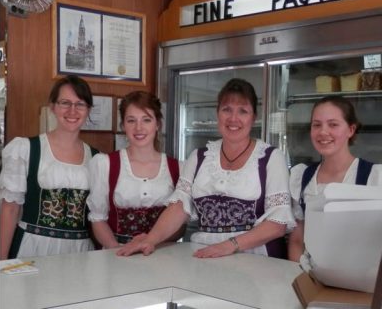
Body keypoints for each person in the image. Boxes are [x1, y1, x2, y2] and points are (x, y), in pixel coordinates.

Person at [117, 78, 294, 259]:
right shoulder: (199, 157)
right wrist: (151, 239)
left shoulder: (271, 158)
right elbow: (179, 207)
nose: (233, 118)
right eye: (226, 109)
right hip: (204, 255)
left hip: (256, 258)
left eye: (243, 111)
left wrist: (229, 245)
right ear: (217, 113)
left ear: (253, 117)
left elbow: (277, 223)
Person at [0, 75, 99, 259]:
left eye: (80, 104)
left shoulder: (97, 159)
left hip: (80, 252)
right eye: (65, 103)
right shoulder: (26, 149)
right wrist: (2, 260)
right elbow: (10, 209)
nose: (72, 110)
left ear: (88, 110)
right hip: (32, 247)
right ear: (52, 106)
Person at [287, 96, 381, 262]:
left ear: (351, 130)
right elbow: (297, 240)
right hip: (310, 277)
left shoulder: (374, 178)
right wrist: (301, 273)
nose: (323, 132)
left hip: (358, 279)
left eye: (333, 124)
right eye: (316, 125)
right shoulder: (302, 177)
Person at [86, 91, 182, 248]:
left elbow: (180, 225)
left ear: (157, 124)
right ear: (123, 125)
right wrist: (116, 251)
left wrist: (153, 243)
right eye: (131, 121)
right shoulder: (105, 164)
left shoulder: (177, 168)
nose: (139, 128)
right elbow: (98, 219)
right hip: (116, 255)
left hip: (161, 257)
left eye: (146, 120)